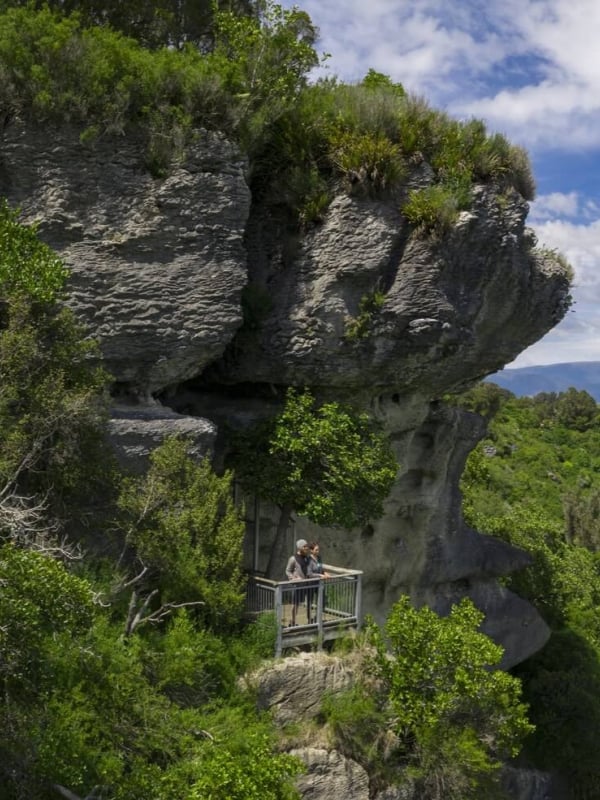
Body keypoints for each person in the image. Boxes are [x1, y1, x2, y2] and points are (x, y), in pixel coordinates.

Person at [285, 539, 312, 626]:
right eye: (304, 546)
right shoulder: (293, 559)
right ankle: (292, 621)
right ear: (300, 547)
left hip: (308, 584)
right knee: (295, 604)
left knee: (309, 603)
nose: (306, 548)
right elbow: (288, 571)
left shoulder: (307, 558)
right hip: (298, 585)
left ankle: (309, 620)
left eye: (306, 546)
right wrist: (294, 578)